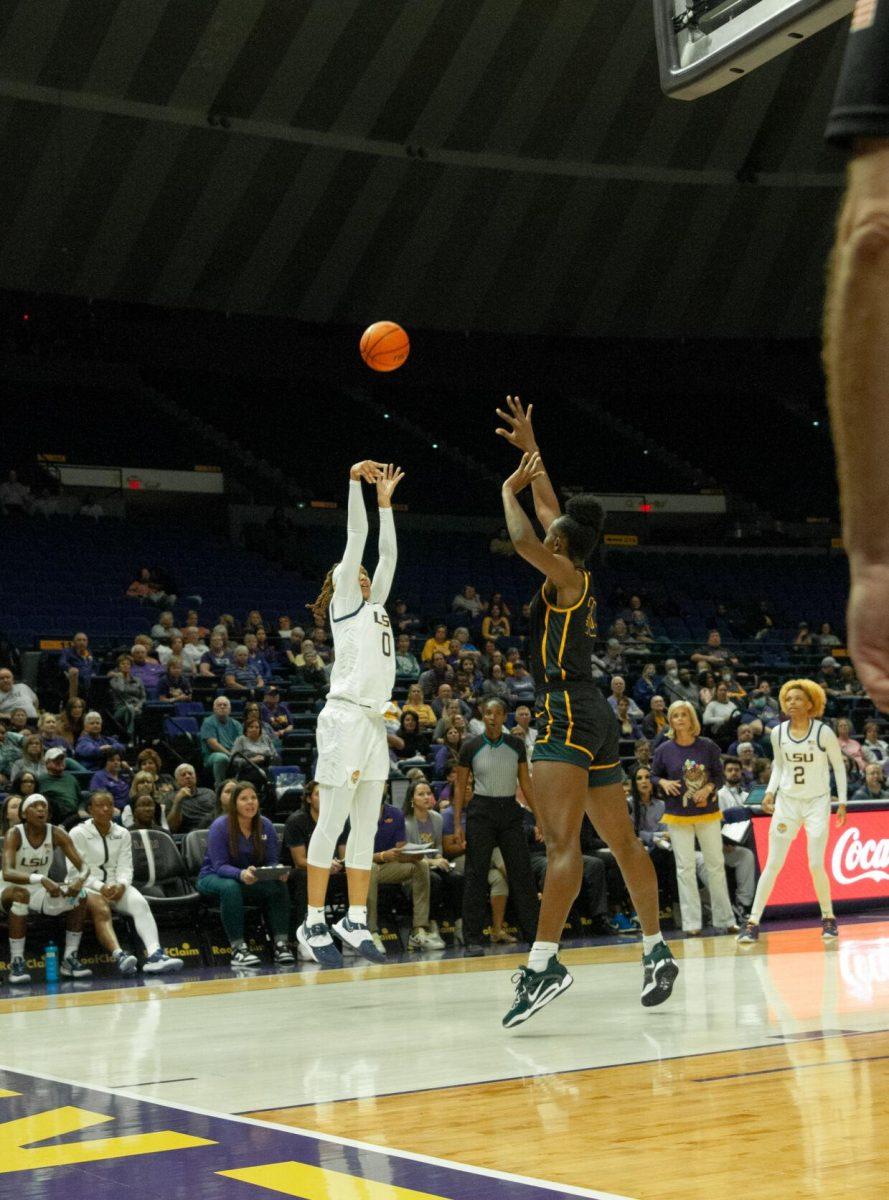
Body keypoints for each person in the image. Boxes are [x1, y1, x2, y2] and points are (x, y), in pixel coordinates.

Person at [495, 395, 676, 1020]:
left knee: (560, 839)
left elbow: (523, 534)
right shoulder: (577, 566)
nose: (548, 529)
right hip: (593, 710)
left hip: (566, 709)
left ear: (563, 547)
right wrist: (532, 443)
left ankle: (543, 966)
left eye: (555, 534)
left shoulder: (564, 577)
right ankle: (656, 950)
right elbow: (551, 508)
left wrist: (506, 488)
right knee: (622, 842)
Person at [296, 460, 404, 968]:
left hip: (373, 724)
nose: (361, 573)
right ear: (339, 581)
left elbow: (387, 553)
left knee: (366, 827)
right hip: (341, 718)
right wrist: (354, 484)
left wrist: (387, 505)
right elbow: (357, 537)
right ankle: (312, 919)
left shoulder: (377, 603)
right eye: (352, 571)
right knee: (333, 820)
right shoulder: (345, 604)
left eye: (363, 574)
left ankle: (354, 918)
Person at [738, 680, 847, 945]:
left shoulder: (823, 732)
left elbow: (839, 767)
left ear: (811, 703)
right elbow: (779, 766)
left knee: (814, 864)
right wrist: (769, 792)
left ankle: (828, 918)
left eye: (798, 699)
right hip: (787, 803)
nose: (791, 703)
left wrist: (842, 801)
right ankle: (752, 923)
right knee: (773, 863)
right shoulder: (778, 732)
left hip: (817, 804)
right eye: (788, 699)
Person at [449, 697, 539, 961]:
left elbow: (526, 783)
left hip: (510, 811)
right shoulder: (470, 746)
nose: (492, 717)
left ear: (504, 717)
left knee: (522, 872)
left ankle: (535, 935)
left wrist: (540, 818)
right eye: (488, 712)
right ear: (482, 714)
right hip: (481, 812)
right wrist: (457, 823)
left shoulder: (516, 745)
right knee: (476, 874)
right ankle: (473, 939)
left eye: (498, 713)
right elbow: (459, 788)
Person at [68, 791, 183, 975]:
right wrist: (100, 887)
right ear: (90, 810)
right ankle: (120, 955)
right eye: (100, 805)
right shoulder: (77, 833)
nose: (106, 809)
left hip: (115, 886)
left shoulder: (122, 833)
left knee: (140, 903)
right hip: (87, 887)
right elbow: (76, 872)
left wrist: (122, 885)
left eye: (109, 804)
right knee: (102, 909)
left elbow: (126, 867)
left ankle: (155, 955)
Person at [651, 701, 737, 936]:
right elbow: (653, 776)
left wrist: (708, 788)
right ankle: (691, 924)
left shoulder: (708, 746)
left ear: (692, 719)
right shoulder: (663, 750)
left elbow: (719, 778)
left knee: (716, 865)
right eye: (675, 715)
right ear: (671, 721)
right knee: (685, 868)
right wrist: (663, 782)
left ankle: (725, 919)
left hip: (708, 812)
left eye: (684, 715)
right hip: (678, 815)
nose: (679, 719)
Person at [197, 781, 293, 968]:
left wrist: (276, 871)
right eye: (244, 799)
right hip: (213, 877)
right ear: (234, 803)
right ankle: (238, 949)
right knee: (230, 887)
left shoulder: (265, 825)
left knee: (278, 886)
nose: (250, 803)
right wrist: (240, 873)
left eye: (253, 798)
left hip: (248, 878)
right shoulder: (220, 826)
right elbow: (219, 865)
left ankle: (281, 944)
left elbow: (272, 860)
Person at [1, 794, 91, 985]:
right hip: (7, 888)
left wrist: (79, 880)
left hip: (37, 889)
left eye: (44, 806)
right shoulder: (14, 833)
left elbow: (84, 866)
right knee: (21, 894)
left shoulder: (57, 833)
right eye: (35, 806)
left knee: (82, 895)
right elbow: (8, 872)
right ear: (25, 814)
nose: (41, 809)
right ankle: (16, 963)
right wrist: (41, 878)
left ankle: (69, 958)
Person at [363, 794, 444, 951]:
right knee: (371, 868)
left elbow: (400, 848)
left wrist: (413, 855)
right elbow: (348, 855)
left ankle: (419, 930)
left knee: (421, 865)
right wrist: (381, 856)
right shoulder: (356, 813)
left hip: (388, 866)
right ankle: (370, 932)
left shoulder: (395, 814)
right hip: (362, 867)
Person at [282, 781, 347, 937]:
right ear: (309, 799)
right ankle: (306, 935)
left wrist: (339, 864)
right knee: (307, 877)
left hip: (331, 871)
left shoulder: (339, 820)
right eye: (319, 794)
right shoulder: (296, 821)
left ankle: (350, 931)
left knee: (355, 876)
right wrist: (324, 866)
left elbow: (344, 855)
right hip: (298, 873)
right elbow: (299, 861)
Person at [200, 696, 244, 785]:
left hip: (234, 754)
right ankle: (220, 787)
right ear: (214, 708)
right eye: (219, 705)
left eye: (225, 705)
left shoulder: (237, 724)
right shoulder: (208, 722)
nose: (222, 707)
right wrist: (230, 755)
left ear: (230, 709)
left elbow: (242, 743)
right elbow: (213, 744)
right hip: (212, 755)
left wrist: (236, 755)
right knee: (221, 758)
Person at [39, 747, 85, 826]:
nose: (60, 762)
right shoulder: (40, 779)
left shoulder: (71, 778)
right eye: (56, 759)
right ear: (47, 763)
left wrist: (81, 809)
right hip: (53, 816)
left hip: (74, 815)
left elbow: (81, 799)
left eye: (62, 759)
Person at [165, 763, 216, 833]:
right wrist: (177, 801)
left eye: (190, 773)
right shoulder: (170, 797)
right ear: (177, 781)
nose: (188, 776)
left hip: (214, 829)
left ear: (195, 776)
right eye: (183, 775)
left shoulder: (209, 793)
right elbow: (171, 827)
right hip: (189, 835)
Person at [59, 632, 95, 701]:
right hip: (76, 679)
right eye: (79, 640)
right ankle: (73, 703)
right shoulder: (67, 651)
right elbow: (62, 662)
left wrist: (94, 672)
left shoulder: (89, 652)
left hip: (90, 679)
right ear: (74, 642)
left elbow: (95, 665)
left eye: (84, 640)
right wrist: (70, 668)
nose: (82, 642)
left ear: (87, 642)